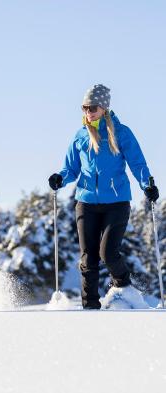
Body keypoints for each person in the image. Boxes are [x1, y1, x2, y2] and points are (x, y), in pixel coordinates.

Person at [48, 84, 159, 309]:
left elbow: (137, 163)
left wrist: (147, 184)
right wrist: (61, 177)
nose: (88, 111)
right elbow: (71, 168)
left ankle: (124, 288)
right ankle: (90, 307)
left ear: (104, 108)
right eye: (84, 107)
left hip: (116, 203)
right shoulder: (80, 135)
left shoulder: (121, 132)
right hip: (86, 203)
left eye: (93, 107)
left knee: (107, 253)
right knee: (88, 258)